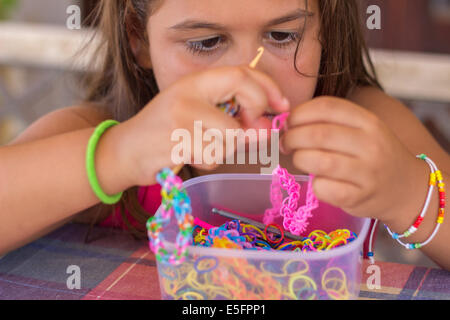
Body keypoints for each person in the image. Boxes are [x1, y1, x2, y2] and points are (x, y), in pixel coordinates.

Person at [1, 0, 449, 270]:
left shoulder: (360, 123)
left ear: (325, 27)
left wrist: (409, 193)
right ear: (138, 39)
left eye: (281, 34)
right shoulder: (105, 134)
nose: (246, 74)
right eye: (205, 42)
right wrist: (115, 155)